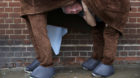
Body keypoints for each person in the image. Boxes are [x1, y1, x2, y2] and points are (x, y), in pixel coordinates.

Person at [20, 0, 130, 78]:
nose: (73, 10)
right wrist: (84, 10)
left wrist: (85, 6)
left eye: (73, 7)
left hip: (113, 12)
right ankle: (97, 58)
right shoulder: (80, 11)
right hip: (98, 17)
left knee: (110, 34)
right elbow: (92, 24)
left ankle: (107, 63)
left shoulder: (84, 5)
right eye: (70, 11)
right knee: (97, 31)